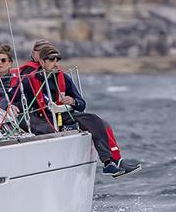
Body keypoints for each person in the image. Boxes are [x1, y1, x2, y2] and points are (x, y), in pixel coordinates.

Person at [24, 44, 141, 178]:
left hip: (62, 116)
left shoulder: (64, 78)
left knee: (95, 120)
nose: (56, 63)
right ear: (42, 62)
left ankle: (108, 163)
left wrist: (73, 101)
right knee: (46, 129)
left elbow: (81, 104)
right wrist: (14, 108)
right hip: (40, 119)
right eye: (51, 60)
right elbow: (14, 100)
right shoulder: (28, 80)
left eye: (58, 60)